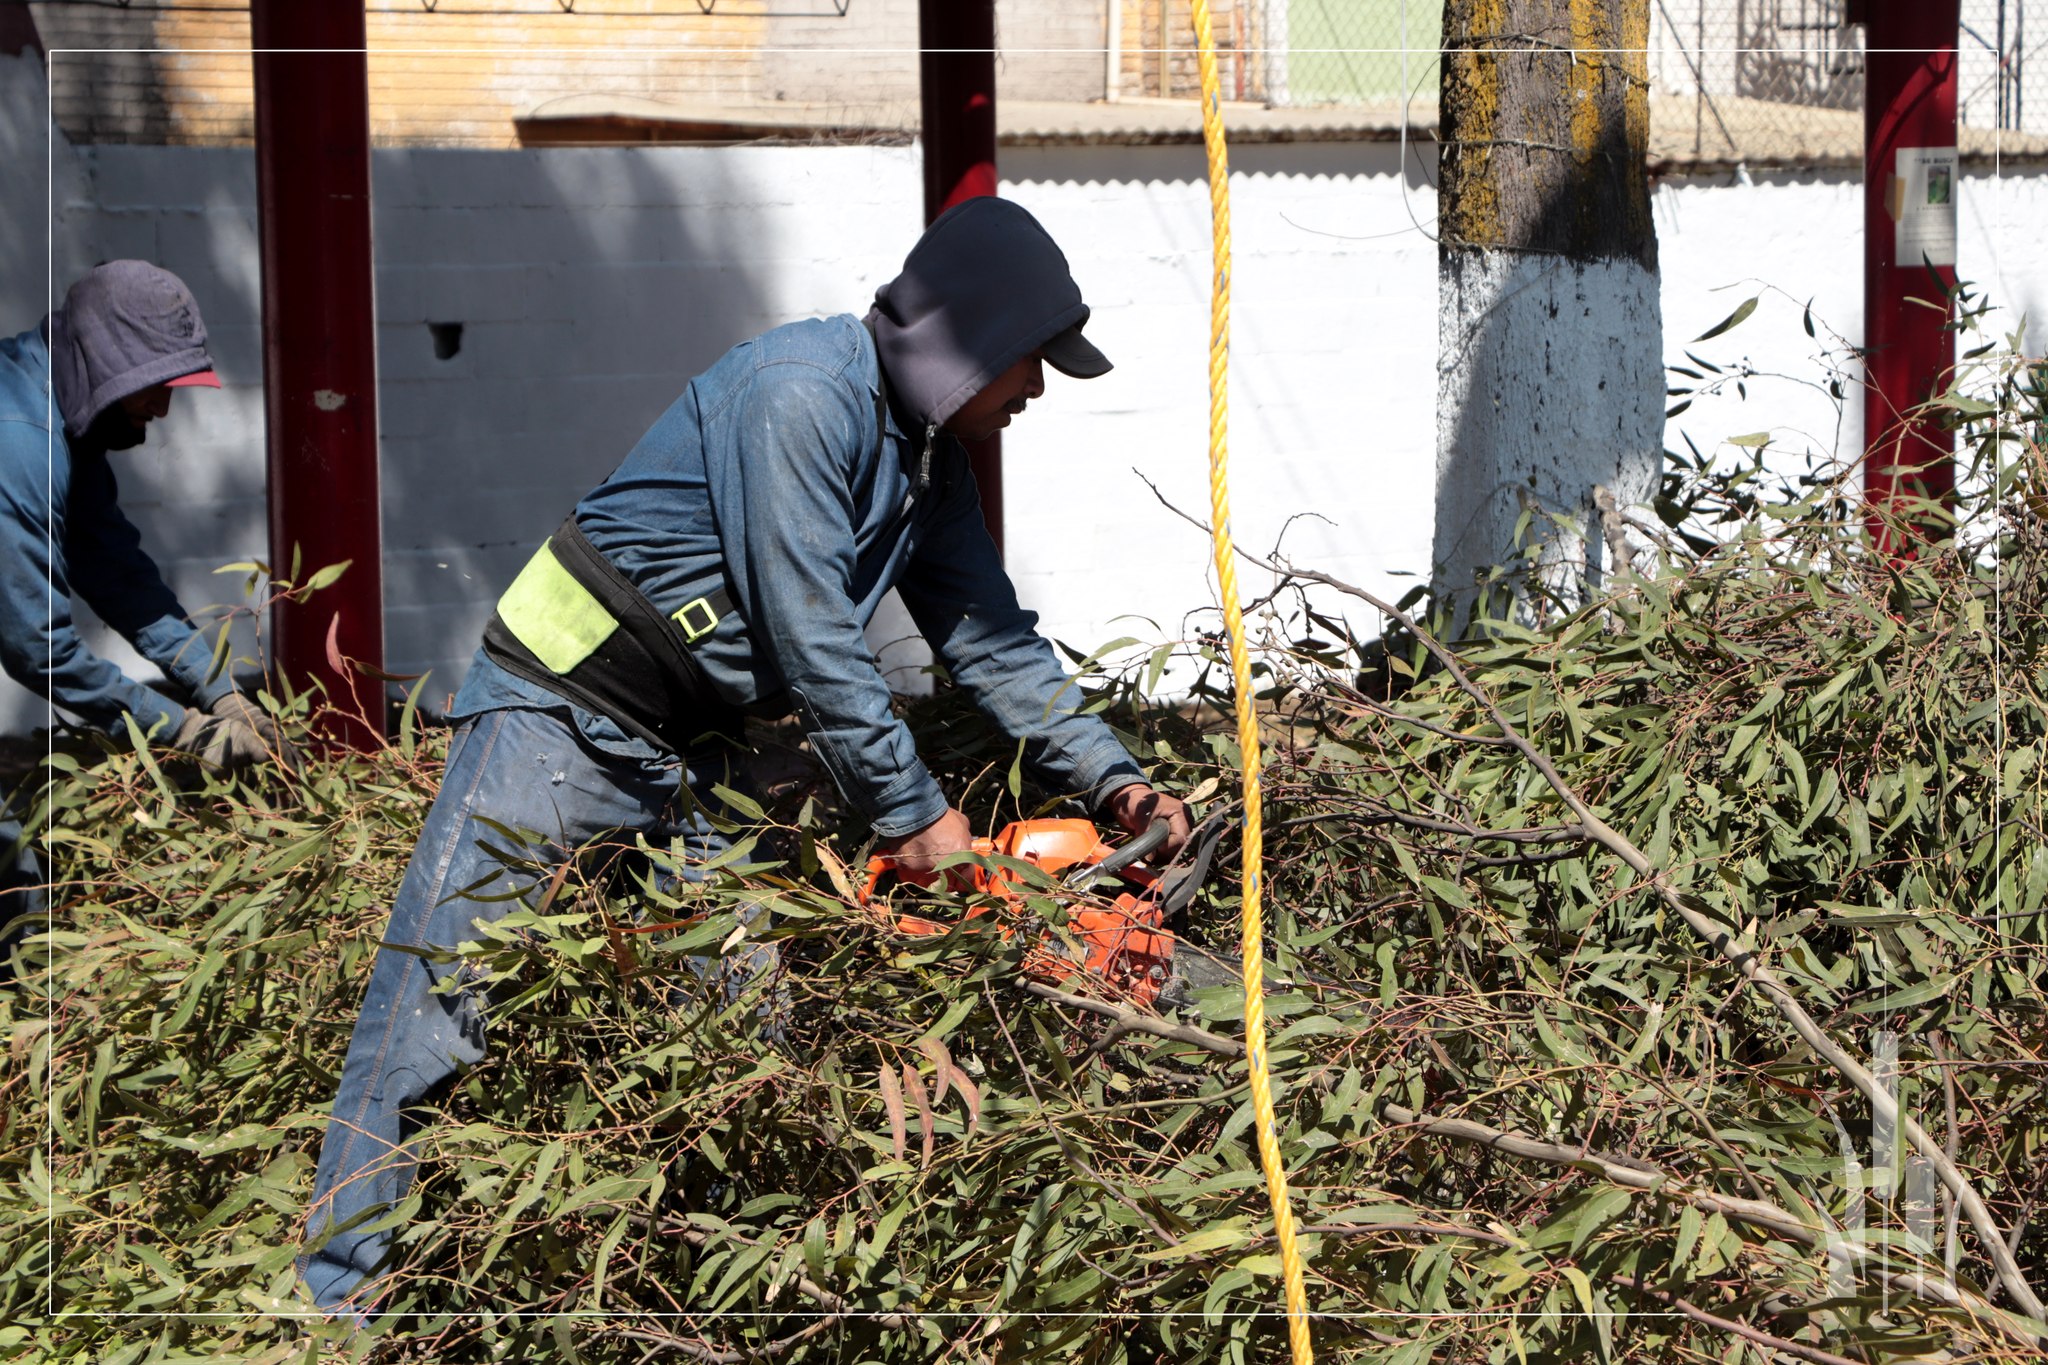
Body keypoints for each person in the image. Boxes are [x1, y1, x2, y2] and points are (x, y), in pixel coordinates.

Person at [296, 196, 1191, 1317]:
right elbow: (811, 631)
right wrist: (912, 814)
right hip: (560, 707)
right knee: (436, 1002)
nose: (1037, 390)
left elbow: (990, 642)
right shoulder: (797, 394)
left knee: (745, 1028)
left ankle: (707, 1301)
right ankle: (330, 1312)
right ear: (969, 340)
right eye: (1029, 362)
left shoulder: (926, 466)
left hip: (694, 750)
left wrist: (1114, 776)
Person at [0, 261, 293, 974]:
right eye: (154, 387)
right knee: (11, 890)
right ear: (105, 366)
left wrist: (219, 688)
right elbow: (37, 647)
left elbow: (119, 574)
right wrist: (185, 730)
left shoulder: (65, 425)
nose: (162, 411)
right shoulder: (20, 442)